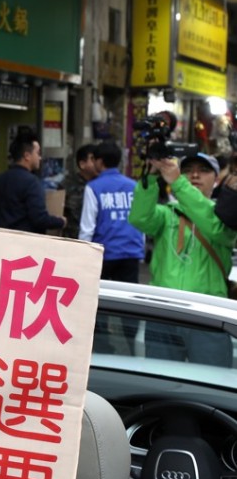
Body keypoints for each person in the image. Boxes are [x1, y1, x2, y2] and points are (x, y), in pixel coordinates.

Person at [128, 152, 236, 365]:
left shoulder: (226, 216)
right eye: (187, 171)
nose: (194, 175)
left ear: (215, 179)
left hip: (208, 315)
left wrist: (178, 182)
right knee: (161, 384)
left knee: (209, 385)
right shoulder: (167, 214)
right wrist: (150, 178)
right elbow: (140, 218)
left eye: (203, 171)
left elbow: (216, 229)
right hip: (164, 312)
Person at [80, 141, 144, 355]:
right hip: (130, 252)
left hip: (104, 254)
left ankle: (102, 348)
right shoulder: (133, 186)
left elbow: (87, 226)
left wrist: (84, 256)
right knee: (130, 306)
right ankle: (133, 349)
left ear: (98, 161)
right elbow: (141, 220)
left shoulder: (93, 187)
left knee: (100, 303)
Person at [0, 131, 66, 234]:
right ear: (27, 156)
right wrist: (61, 221)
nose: (40, 158)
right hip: (25, 244)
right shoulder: (32, 182)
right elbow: (40, 218)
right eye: (38, 153)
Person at [62, 143, 97, 238]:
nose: (97, 163)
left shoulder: (101, 184)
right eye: (93, 159)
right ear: (82, 164)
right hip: (73, 238)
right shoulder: (69, 184)